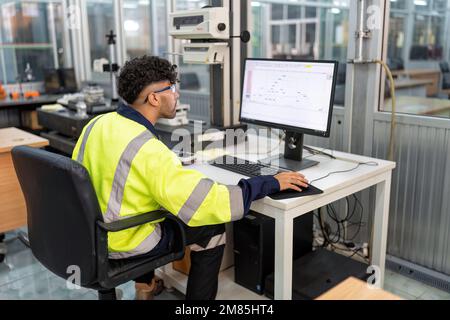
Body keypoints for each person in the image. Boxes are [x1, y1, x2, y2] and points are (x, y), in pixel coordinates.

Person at [72, 56, 308, 300]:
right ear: (154, 98)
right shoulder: (147, 148)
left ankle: (145, 286)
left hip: (92, 235)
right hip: (126, 242)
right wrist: (269, 182)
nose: (177, 95)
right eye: (172, 88)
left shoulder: (98, 123)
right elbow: (208, 203)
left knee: (158, 204)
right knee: (212, 228)